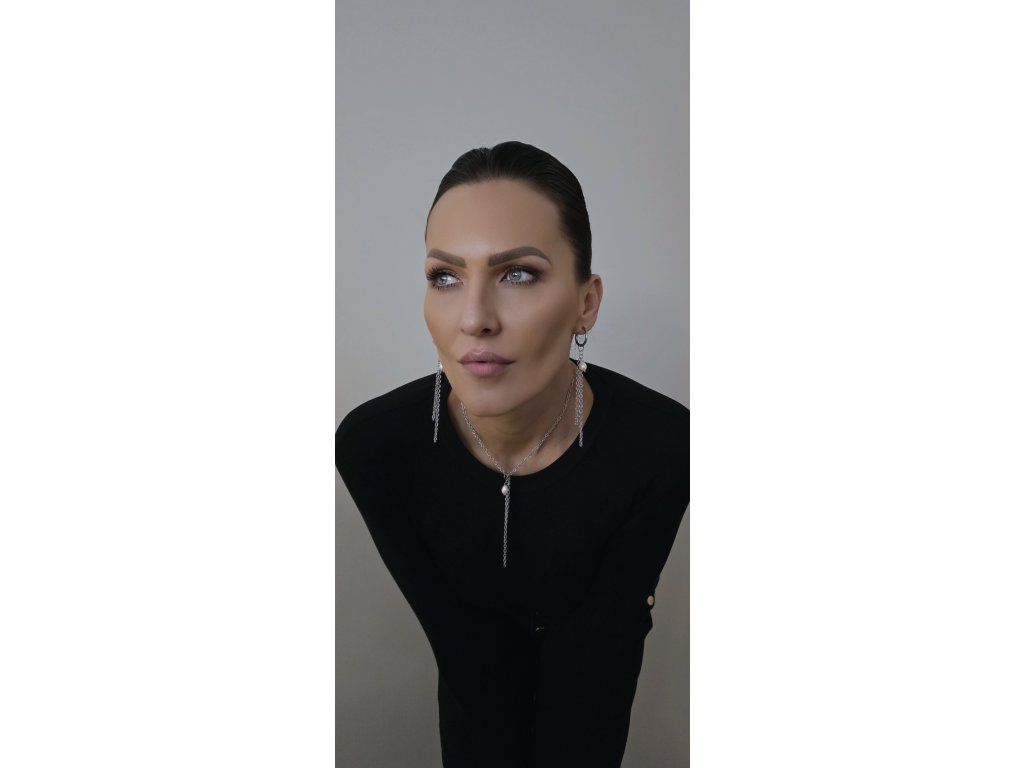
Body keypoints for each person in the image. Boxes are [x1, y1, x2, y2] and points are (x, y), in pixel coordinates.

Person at [335, 141, 689, 767]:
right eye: (445, 277)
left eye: (518, 274)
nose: (474, 319)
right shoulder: (375, 448)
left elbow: (595, 668)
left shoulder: (664, 444)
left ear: (586, 302)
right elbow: (468, 660)